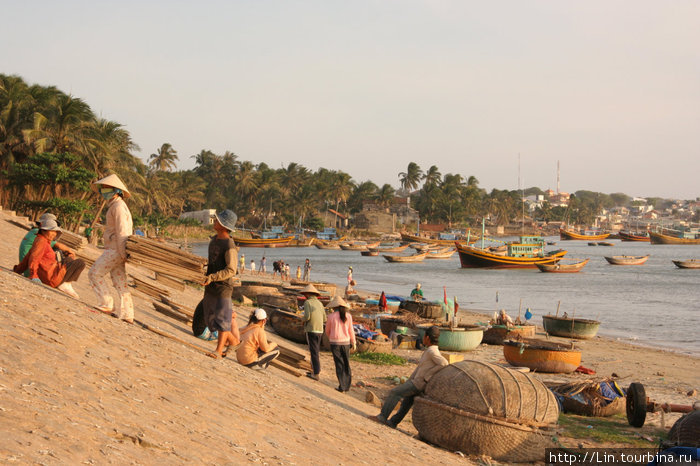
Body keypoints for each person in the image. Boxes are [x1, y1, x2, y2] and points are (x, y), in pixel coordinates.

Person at [371, 326, 448, 428]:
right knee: (407, 402)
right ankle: (393, 422)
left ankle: (382, 417)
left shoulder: (432, 351)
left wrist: (427, 376)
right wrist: (410, 379)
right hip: (417, 381)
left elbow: (444, 363)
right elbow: (420, 369)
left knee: (395, 392)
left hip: (418, 383)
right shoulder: (430, 350)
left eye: (424, 336)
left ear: (428, 338)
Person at [88, 174, 134, 323]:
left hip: (116, 249)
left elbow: (122, 231)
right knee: (120, 281)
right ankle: (127, 314)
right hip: (117, 248)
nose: (103, 191)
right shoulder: (116, 205)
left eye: (106, 188)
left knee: (94, 273)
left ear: (115, 190)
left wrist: (122, 252)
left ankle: (106, 303)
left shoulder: (119, 207)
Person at [200, 210, 241, 359]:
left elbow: (231, 269)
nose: (214, 222)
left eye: (217, 220)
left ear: (224, 226)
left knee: (222, 320)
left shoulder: (229, 245)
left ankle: (218, 351)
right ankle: (234, 341)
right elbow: (212, 261)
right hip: (210, 284)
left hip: (223, 287)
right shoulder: (213, 241)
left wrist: (214, 277)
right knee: (210, 319)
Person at [14, 218, 86, 298]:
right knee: (80, 263)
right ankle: (65, 284)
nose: (54, 234)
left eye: (55, 232)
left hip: (49, 274)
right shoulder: (41, 242)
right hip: (51, 278)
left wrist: (18, 270)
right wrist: (33, 275)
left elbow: (27, 258)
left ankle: (65, 283)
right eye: (52, 231)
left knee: (69, 259)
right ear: (44, 230)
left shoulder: (40, 239)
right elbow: (34, 258)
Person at [325, 296, 356, 392]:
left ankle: (342, 385)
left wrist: (331, 337)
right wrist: (353, 342)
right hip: (346, 343)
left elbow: (327, 331)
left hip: (335, 343)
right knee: (346, 363)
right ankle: (347, 386)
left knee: (339, 364)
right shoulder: (348, 316)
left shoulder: (330, 316)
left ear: (334, 307)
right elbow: (351, 330)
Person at [301, 284, 326, 381]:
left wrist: (302, 320)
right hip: (320, 329)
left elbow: (307, 317)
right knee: (316, 351)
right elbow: (324, 318)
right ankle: (314, 370)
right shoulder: (320, 303)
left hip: (311, 329)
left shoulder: (307, 303)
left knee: (313, 351)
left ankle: (316, 373)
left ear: (308, 294)